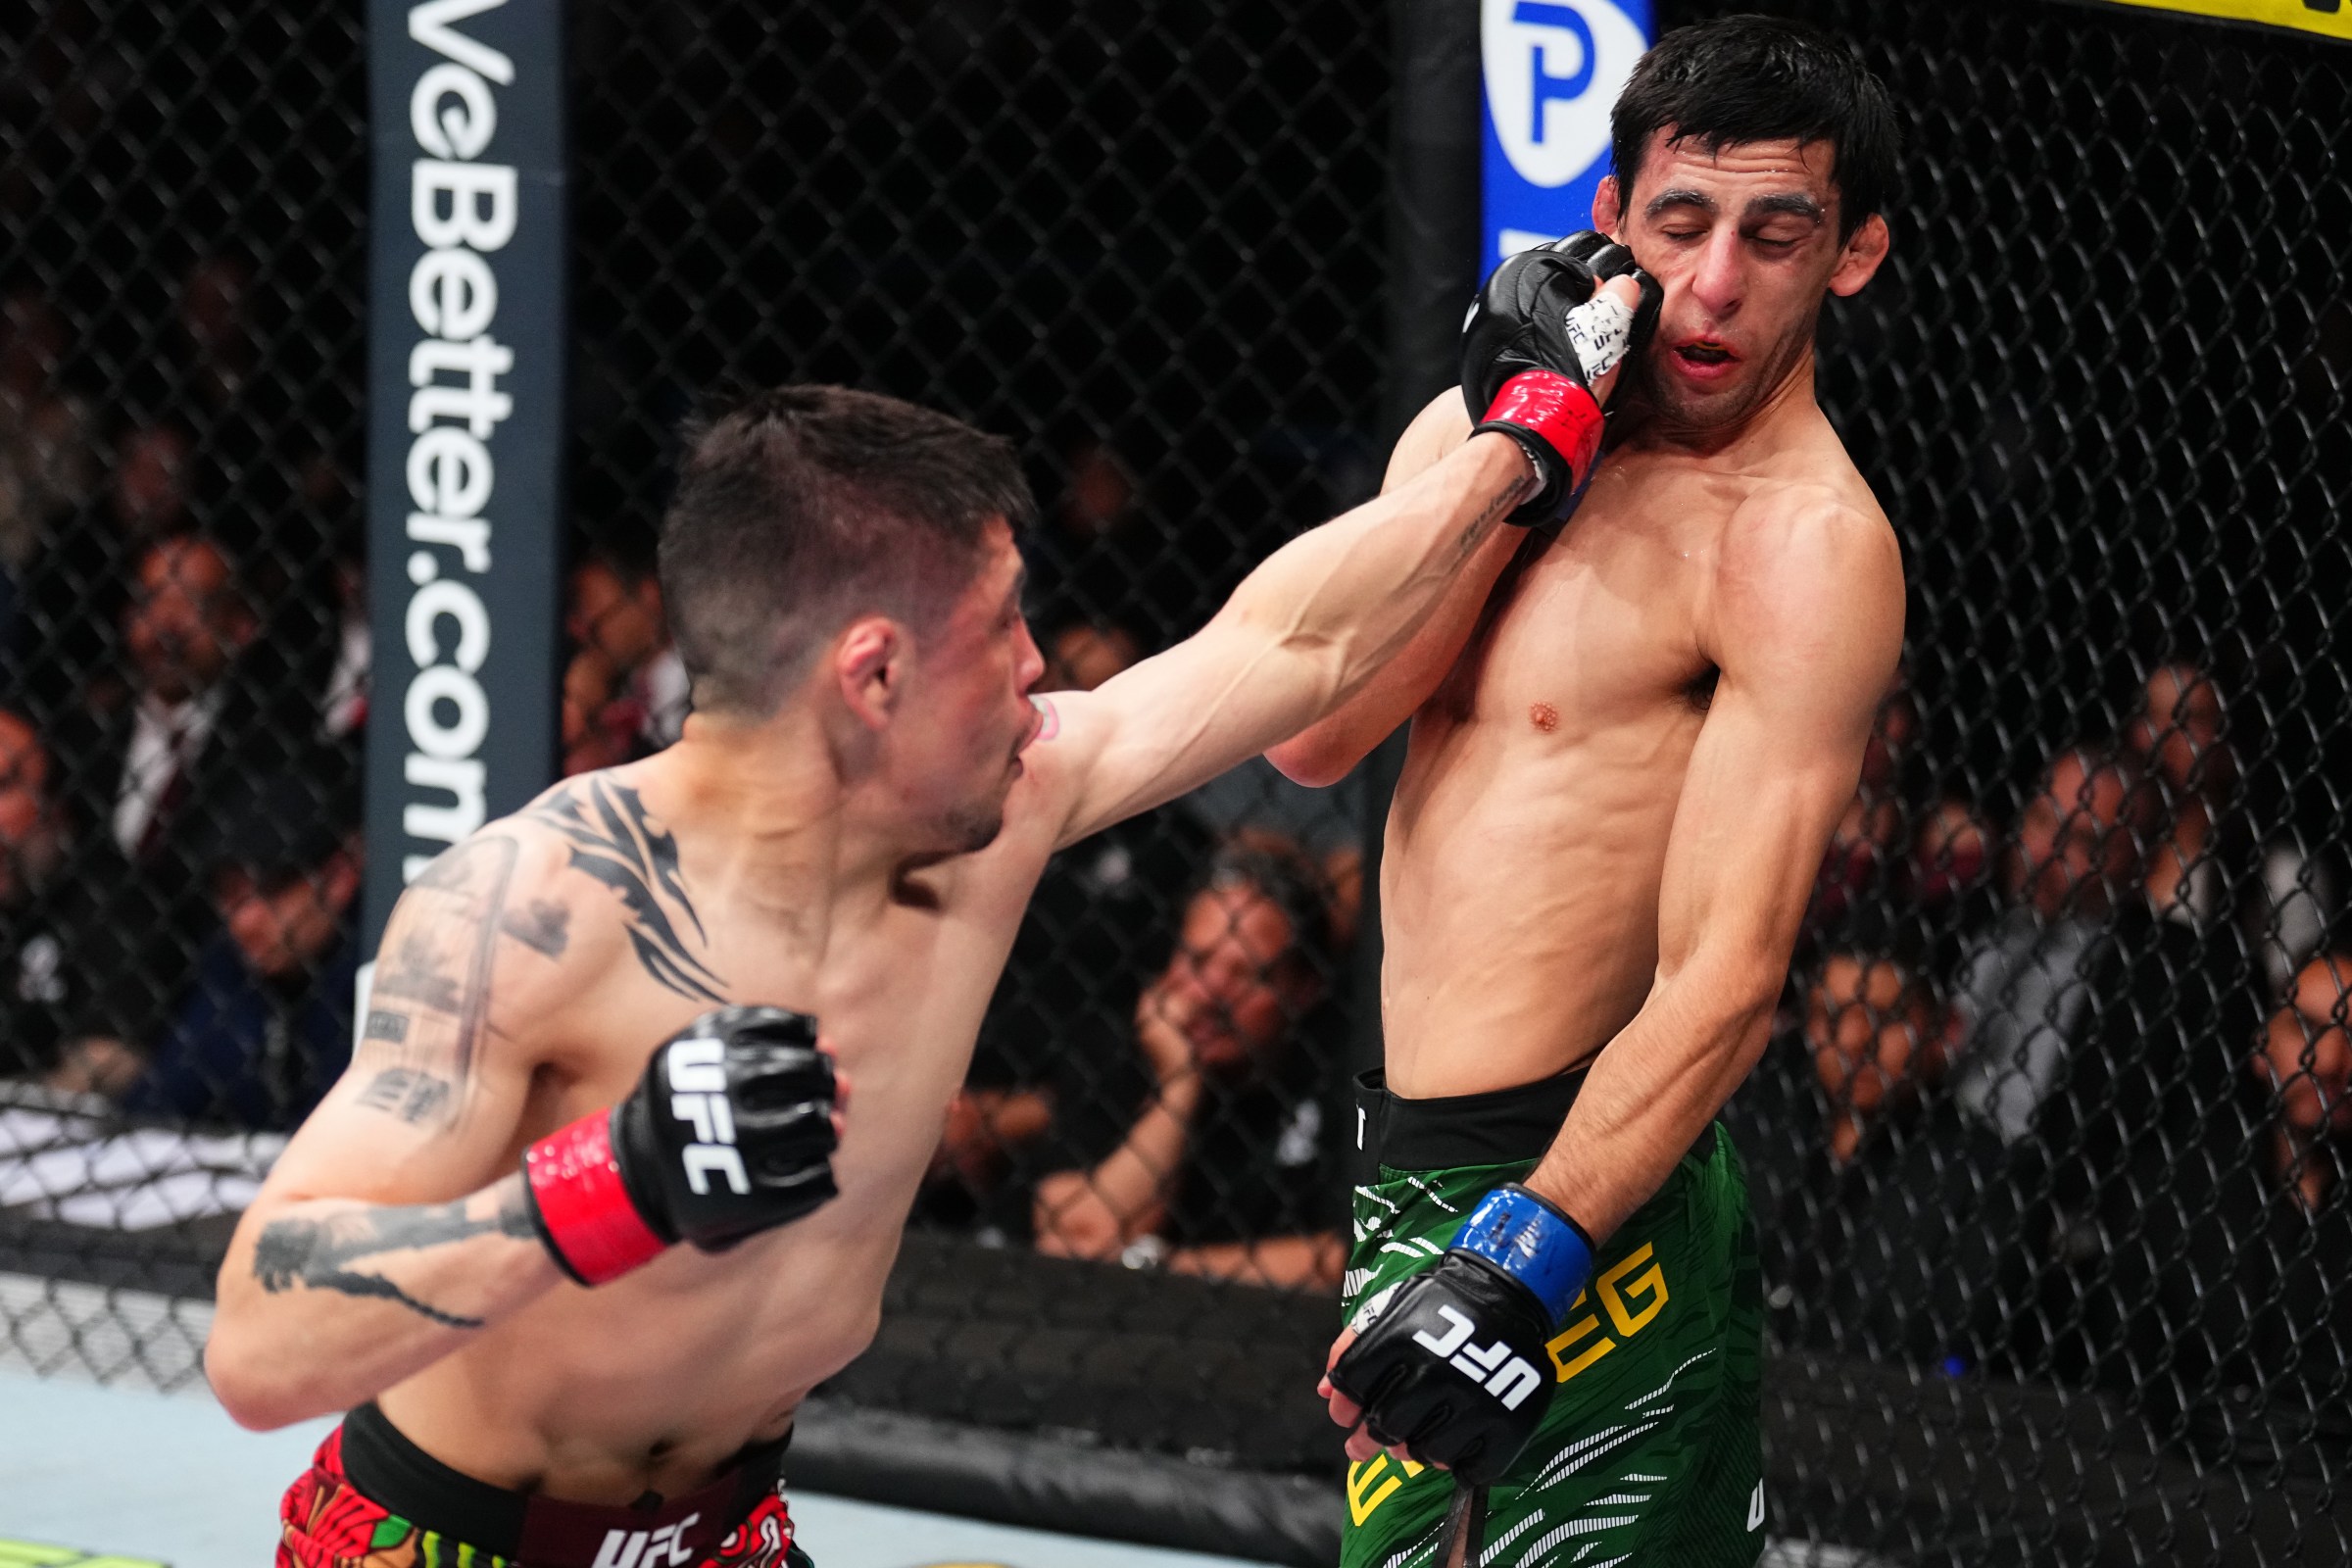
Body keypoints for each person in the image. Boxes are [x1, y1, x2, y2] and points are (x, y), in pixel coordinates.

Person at [212, 271, 1635, 1568]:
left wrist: (1518, 441)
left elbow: (1287, 643)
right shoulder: (534, 910)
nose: (1038, 671)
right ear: (872, 673)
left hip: (728, 1531)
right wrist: (608, 1185)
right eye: (1003, 628)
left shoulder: (1005, 803)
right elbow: (260, 1346)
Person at [1270, 20, 1907, 1563]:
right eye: (1681, 223)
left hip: (1588, 1201)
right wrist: (1511, 455)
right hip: (1408, 1168)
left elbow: (1732, 975)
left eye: (1777, 235)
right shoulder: (1491, 428)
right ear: (1613, 214)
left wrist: (1526, 1257)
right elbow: (1321, 731)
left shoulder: (1806, 549)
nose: (1715, 283)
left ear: (1856, 257)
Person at [1031, 844, 1346, 1289]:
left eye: (1248, 974)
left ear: (1304, 990)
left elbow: (1350, 1260)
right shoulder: (1116, 1046)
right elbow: (1081, 1233)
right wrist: (1180, 1082)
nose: (1207, 994)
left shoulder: (1339, 1074)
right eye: (1197, 961)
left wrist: (1156, 1267)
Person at [117, 772, 362, 1129]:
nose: (243, 920)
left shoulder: (378, 970)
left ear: (341, 877)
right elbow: (159, 1102)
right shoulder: (230, 965)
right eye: (229, 891)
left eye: (270, 890)